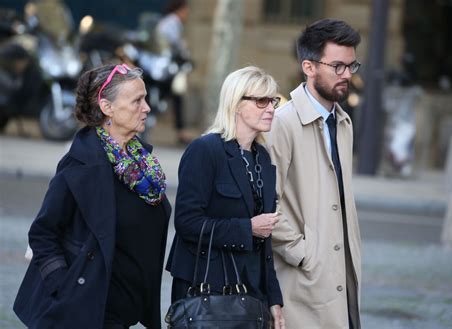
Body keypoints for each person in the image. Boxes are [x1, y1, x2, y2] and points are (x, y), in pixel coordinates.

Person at [13, 64, 171, 329]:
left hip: (124, 311)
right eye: (137, 101)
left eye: (145, 99)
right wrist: (65, 289)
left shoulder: (143, 165)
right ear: (107, 108)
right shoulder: (79, 164)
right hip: (85, 312)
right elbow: (43, 233)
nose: (147, 108)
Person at [166, 66, 285, 328]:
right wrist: (248, 228)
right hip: (206, 289)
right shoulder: (205, 150)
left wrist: (274, 300)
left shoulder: (262, 158)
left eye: (273, 101)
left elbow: (264, 244)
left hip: (251, 291)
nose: (271, 108)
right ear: (236, 103)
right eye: (261, 101)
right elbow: (186, 222)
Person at [266, 19, 362, 329]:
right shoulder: (282, 122)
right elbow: (265, 202)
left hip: (341, 276)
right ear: (308, 67)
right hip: (302, 283)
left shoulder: (343, 123)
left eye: (351, 66)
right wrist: (303, 253)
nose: (346, 75)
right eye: (337, 66)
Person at [157, 0, 194, 144]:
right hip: (167, 68)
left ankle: (180, 131)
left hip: (166, 67)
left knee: (175, 97)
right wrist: (183, 49)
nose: (187, 15)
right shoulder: (172, 22)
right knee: (175, 95)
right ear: (180, 10)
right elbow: (174, 43)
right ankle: (181, 131)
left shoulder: (169, 22)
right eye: (185, 11)